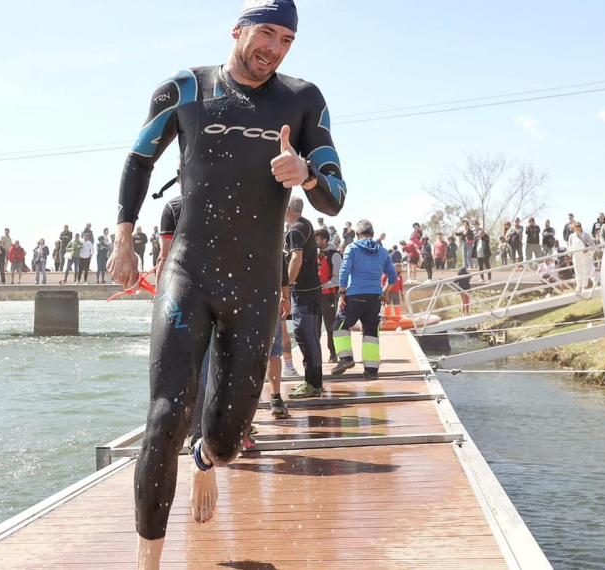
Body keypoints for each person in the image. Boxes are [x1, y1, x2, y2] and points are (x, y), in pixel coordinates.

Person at [106, 3, 347, 564]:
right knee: (165, 416)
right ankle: (148, 561)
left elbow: (335, 196)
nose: (274, 48)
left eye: (286, 39)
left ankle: (206, 459)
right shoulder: (186, 88)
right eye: (266, 33)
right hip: (188, 274)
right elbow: (139, 160)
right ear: (238, 31)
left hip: (255, 285)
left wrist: (306, 174)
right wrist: (123, 237)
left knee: (226, 441)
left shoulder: (303, 100)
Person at [333, 220, 396, 379]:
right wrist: (385, 292)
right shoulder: (383, 252)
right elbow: (393, 276)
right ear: (372, 234)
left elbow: (344, 270)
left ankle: (346, 358)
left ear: (357, 234)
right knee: (371, 332)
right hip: (375, 297)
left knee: (340, 325)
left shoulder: (352, 248)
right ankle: (371, 370)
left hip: (354, 295)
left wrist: (342, 292)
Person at [285, 197, 324, 399]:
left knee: (305, 336)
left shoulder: (295, 230)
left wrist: (286, 285)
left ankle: (312, 383)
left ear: (288, 209)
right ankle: (314, 381)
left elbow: (296, 258)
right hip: (313, 290)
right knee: (312, 338)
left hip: (303, 293)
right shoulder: (306, 224)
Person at [315, 228, 342, 363]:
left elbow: (339, 278)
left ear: (324, 240)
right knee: (314, 327)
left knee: (330, 326)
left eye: (317, 240)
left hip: (329, 297)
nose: (315, 242)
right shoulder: (316, 255)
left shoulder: (334, 256)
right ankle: (315, 355)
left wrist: (324, 286)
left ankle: (333, 353)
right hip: (315, 297)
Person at [568, 221, 594, 291]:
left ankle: (584, 286)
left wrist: (587, 249)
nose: (578, 227)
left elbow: (592, 245)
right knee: (577, 271)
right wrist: (570, 254)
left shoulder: (585, 235)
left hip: (584, 254)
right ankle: (578, 286)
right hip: (576, 255)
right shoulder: (571, 236)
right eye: (576, 226)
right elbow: (570, 246)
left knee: (585, 270)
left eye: (579, 226)